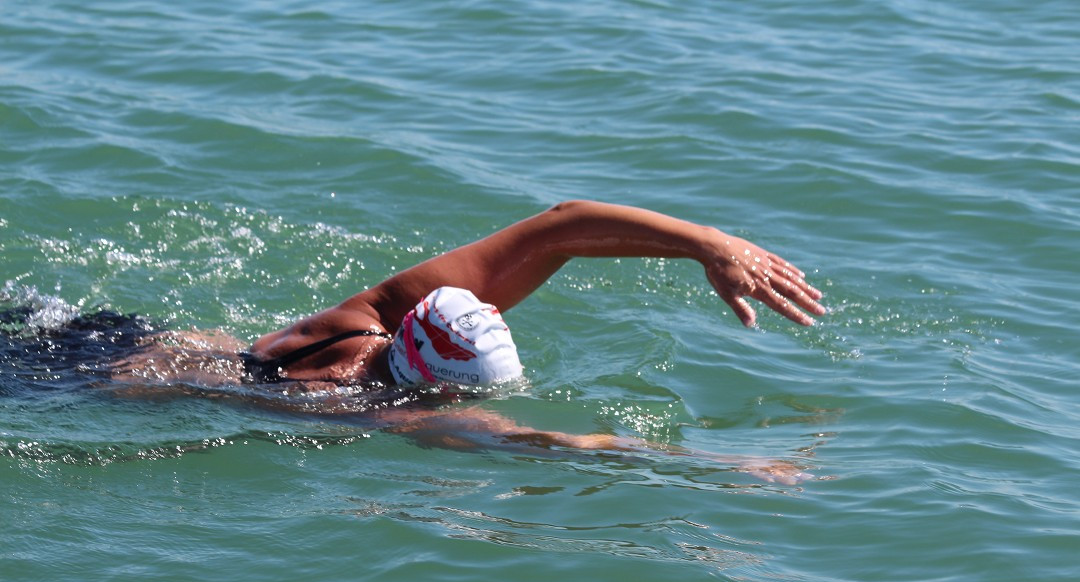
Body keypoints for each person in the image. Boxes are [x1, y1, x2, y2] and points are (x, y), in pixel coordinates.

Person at [224, 199, 824, 388]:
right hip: (145, 389)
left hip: (158, 344)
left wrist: (707, 244)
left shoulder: (370, 316)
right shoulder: (379, 409)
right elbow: (565, 447)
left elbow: (562, 226)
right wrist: (717, 470)